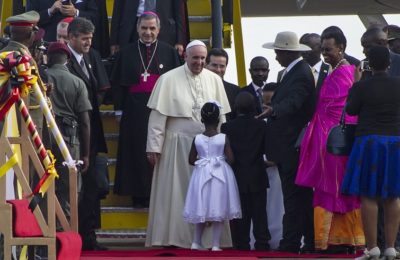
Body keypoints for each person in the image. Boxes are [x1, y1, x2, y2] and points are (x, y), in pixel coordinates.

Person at [145, 40, 231, 248]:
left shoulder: (215, 80)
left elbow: (221, 119)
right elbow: (158, 118)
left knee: (207, 193)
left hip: (206, 147)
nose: (199, 62)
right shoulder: (167, 79)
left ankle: (210, 240)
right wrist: (154, 146)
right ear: (186, 57)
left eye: (203, 58)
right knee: (176, 192)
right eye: (195, 58)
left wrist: (219, 147)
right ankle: (174, 238)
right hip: (175, 145)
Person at [295, 29, 365, 253]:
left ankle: (343, 241)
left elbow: (345, 111)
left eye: (328, 50)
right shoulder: (332, 69)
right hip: (325, 142)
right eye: (322, 50)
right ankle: (329, 241)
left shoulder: (345, 71)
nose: (324, 54)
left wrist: (325, 136)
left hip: (335, 144)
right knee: (326, 189)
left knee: (337, 189)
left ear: (341, 47)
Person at [111, 12, 181, 208]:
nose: (148, 32)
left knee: (160, 151)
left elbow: (176, 85)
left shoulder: (169, 52)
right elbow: (118, 84)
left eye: (152, 28)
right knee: (136, 152)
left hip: (161, 109)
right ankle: (138, 195)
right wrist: (119, 110)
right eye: (144, 28)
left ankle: (160, 194)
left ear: (159, 30)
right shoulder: (126, 53)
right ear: (137, 29)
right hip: (134, 110)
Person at [341, 46, 400, 260]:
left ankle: (372, 248)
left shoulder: (362, 86)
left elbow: (351, 110)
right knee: (393, 195)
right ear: (389, 63)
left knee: (368, 196)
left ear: (368, 64)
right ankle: (391, 247)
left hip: (368, 142)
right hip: (395, 142)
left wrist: (356, 83)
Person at [261, 31, 316, 253]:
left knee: (295, 198)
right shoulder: (290, 72)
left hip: (293, 147)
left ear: (287, 53)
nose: (275, 57)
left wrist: (274, 110)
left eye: (277, 53)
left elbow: (294, 102)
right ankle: (306, 241)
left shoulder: (301, 74)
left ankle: (292, 242)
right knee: (298, 198)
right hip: (288, 146)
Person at [66, 17, 108, 250]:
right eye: (84, 39)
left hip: (91, 131)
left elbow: (100, 89)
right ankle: (74, 236)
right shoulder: (64, 61)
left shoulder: (91, 57)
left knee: (92, 187)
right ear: (71, 37)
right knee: (76, 188)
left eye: (90, 38)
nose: (88, 43)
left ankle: (89, 236)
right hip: (73, 133)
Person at [183, 102, 241, 251]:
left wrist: (204, 160)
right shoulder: (223, 138)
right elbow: (231, 159)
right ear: (218, 120)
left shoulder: (197, 139)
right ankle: (215, 244)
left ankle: (196, 242)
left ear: (202, 120)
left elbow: (190, 160)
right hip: (220, 173)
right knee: (219, 206)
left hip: (201, 173)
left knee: (201, 206)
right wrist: (218, 158)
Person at [46, 42, 91, 220]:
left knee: (45, 185)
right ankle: (65, 232)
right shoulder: (77, 82)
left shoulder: (41, 78)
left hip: (44, 139)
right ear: (68, 60)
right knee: (71, 188)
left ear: (48, 58)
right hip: (70, 140)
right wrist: (86, 154)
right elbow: (85, 121)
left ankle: (46, 233)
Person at [221, 92, 270, 251]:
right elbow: (266, 149)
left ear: (235, 107)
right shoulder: (262, 125)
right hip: (258, 174)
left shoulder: (226, 127)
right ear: (253, 107)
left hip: (237, 176)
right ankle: (262, 243)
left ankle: (242, 244)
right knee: (260, 213)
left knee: (240, 213)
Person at [110, 0, 189, 57]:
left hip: (164, 29)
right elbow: (117, 10)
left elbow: (179, 12)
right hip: (131, 29)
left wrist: (180, 41)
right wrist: (114, 41)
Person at [26, 0, 98, 43]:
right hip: (48, 45)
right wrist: (50, 11)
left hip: (78, 47)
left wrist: (76, 12)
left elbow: (95, 18)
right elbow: (29, 19)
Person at [205, 48, 240, 121]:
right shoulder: (197, 87)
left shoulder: (235, 91)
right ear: (206, 65)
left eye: (222, 66)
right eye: (214, 65)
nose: (218, 70)